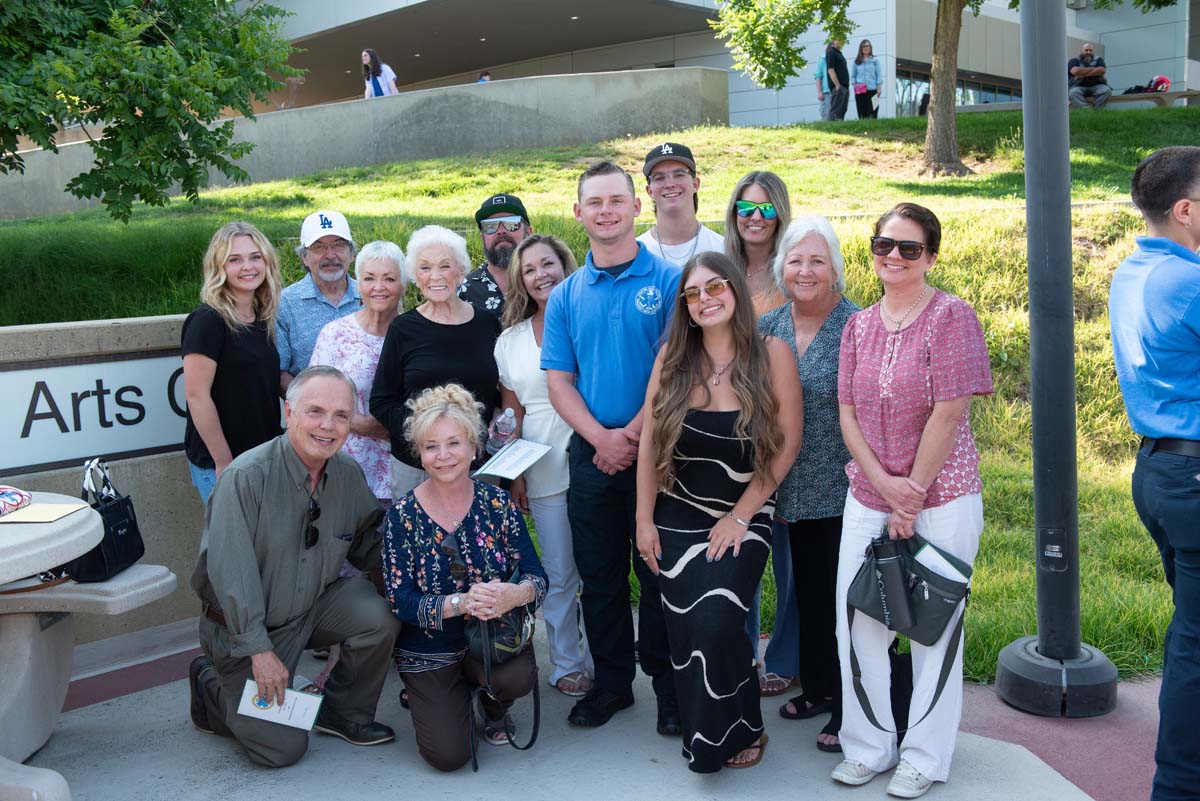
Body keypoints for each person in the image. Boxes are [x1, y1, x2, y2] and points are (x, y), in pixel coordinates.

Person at [832, 203, 992, 798]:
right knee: (858, 623)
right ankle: (869, 747)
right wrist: (883, 483)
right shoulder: (858, 326)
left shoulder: (952, 316)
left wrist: (912, 495)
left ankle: (924, 756)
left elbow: (951, 411)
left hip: (943, 496)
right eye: (883, 245)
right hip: (868, 495)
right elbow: (846, 413)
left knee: (934, 629)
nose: (893, 257)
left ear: (931, 255)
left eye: (909, 248)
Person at [636, 253, 802, 772]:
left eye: (715, 287)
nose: (705, 299)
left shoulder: (771, 352)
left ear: (736, 292)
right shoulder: (672, 360)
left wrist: (742, 515)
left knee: (718, 618)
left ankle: (742, 726)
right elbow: (647, 445)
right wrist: (643, 520)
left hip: (744, 509)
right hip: (677, 510)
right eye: (693, 293)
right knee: (684, 626)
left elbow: (786, 445)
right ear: (684, 306)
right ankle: (709, 723)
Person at [187, 366, 400, 768]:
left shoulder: (347, 475)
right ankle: (210, 685)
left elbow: (370, 546)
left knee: (377, 612)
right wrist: (259, 651)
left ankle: (344, 713)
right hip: (243, 630)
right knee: (281, 749)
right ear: (289, 413)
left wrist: (427, 544)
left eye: (341, 415)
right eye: (315, 411)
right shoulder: (245, 478)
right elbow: (232, 575)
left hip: (309, 611)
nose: (328, 426)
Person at [542, 161, 681, 733]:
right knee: (600, 577)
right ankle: (612, 685)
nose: (605, 211)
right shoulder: (566, 295)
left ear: (636, 207)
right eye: (594, 202)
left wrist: (633, 437)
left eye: (616, 201)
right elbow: (558, 381)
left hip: (660, 453)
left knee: (657, 574)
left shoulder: (670, 280)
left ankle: (669, 689)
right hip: (592, 456)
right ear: (579, 213)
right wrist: (603, 439)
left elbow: (676, 368)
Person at [382, 383, 547, 771]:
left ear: (474, 448)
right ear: (419, 454)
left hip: (494, 639)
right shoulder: (402, 516)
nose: (443, 456)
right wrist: (459, 603)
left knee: (518, 676)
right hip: (430, 647)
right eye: (431, 446)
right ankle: (436, 695)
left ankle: (492, 705)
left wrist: (514, 594)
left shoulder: (498, 503)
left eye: (454, 443)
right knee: (449, 756)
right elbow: (398, 598)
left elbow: (538, 577)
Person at [1109, 146, 1200, 801]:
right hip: (1191, 477)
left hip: (1159, 472)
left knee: (1190, 631)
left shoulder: (1133, 269)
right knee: (1196, 642)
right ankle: (1178, 786)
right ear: (1187, 209)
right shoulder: (1190, 282)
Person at [758, 217, 860, 754]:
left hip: (844, 489)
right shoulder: (768, 327)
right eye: (795, 260)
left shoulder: (858, 326)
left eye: (817, 261)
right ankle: (820, 688)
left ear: (835, 269)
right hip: (786, 489)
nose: (805, 270)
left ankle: (850, 709)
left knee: (846, 603)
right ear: (781, 269)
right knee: (810, 599)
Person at [494, 234, 594, 697]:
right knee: (558, 570)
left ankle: (607, 658)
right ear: (520, 281)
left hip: (598, 454)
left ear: (565, 265)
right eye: (530, 269)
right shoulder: (509, 342)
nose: (541, 275)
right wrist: (513, 476)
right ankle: (567, 662)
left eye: (548, 264)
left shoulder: (589, 319)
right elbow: (511, 416)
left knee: (603, 568)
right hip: (542, 464)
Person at [724, 170, 799, 696]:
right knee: (737, 550)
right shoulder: (720, 273)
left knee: (791, 557)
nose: (755, 218)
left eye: (766, 209)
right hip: (730, 438)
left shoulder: (794, 274)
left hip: (788, 432)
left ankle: (787, 657)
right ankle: (741, 653)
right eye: (746, 209)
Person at [370, 225, 502, 502]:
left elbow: (498, 392)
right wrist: (429, 434)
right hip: (417, 466)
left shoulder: (487, 324)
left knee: (481, 543)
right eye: (425, 268)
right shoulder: (403, 329)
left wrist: (500, 416)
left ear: (461, 270)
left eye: (445, 266)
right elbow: (381, 401)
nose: (436, 276)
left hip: (478, 465)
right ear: (415, 277)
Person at [182, 222, 283, 504]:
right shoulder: (207, 320)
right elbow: (196, 395)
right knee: (231, 545)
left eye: (255, 257)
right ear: (219, 267)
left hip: (262, 456)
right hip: (223, 462)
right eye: (234, 259)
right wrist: (223, 462)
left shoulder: (261, 317)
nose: (248, 266)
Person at [309, 240, 406, 504]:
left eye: (389, 279)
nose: (378, 287)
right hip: (345, 470)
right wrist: (365, 425)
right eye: (369, 278)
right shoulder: (335, 335)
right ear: (358, 283)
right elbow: (312, 403)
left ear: (403, 284)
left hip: (405, 471)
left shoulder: (416, 334)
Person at [277, 210, 360, 392]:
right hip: (312, 413)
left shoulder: (372, 296)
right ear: (304, 257)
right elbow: (279, 373)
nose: (330, 255)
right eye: (319, 247)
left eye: (338, 245)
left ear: (352, 253)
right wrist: (316, 404)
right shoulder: (284, 303)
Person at [636, 142, 724, 267]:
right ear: (649, 191)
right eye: (659, 178)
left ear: (695, 184)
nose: (670, 184)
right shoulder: (637, 253)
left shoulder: (721, 248)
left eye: (679, 175)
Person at [460, 193, 533, 319]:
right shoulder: (464, 290)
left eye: (511, 223)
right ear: (482, 236)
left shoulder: (544, 280)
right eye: (490, 226)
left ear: (529, 232)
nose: (501, 230)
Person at [1068, 43, 1112, 109]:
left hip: (1097, 86)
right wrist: (1093, 69)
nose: (1088, 52)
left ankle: (1097, 111)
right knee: (1073, 93)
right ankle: (1086, 111)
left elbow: (1102, 70)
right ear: (1082, 51)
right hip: (1079, 86)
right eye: (1086, 50)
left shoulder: (1099, 59)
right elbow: (1075, 71)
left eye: (1090, 50)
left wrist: (1082, 74)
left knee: (1107, 91)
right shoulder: (1074, 60)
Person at [852, 39, 882, 120]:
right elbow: (853, 76)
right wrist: (855, 86)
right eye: (864, 46)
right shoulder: (856, 62)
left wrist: (879, 88)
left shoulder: (875, 61)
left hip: (873, 89)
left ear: (870, 47)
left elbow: (879, 75)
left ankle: (873, 129)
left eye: (868, 46)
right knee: (862, 112)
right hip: (860, 90)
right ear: (861, 48)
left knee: (873, 112)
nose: (866, 48)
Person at [826, 38, 850, 121]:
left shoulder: (839, 53)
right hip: (839, 87)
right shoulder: (831, 52)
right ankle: (831, 129)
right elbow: (830, 69)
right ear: (832, 42)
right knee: (836, 110)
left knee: (842, 110)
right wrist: (837, 85)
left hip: (844, 87)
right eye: (837, 39)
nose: (840, 41)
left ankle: (839, 129)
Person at [814, 48, 831, 121]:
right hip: (826, 92)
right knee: (826, 115)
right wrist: (819, 92)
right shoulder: (822, 59)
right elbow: (818, 77)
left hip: (835, 91)